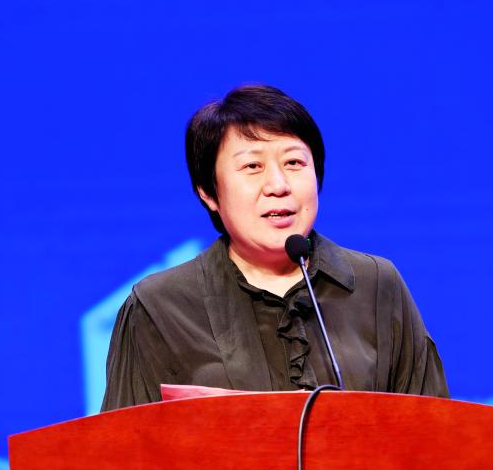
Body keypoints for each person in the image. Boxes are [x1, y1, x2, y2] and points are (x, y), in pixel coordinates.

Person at [101, 85, 448, 412]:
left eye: (294, 163)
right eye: (252, 166)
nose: (278, 185)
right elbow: (123, 446)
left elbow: (432, 430)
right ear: (208, 192)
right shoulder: (160, 306)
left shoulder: (376, 284)